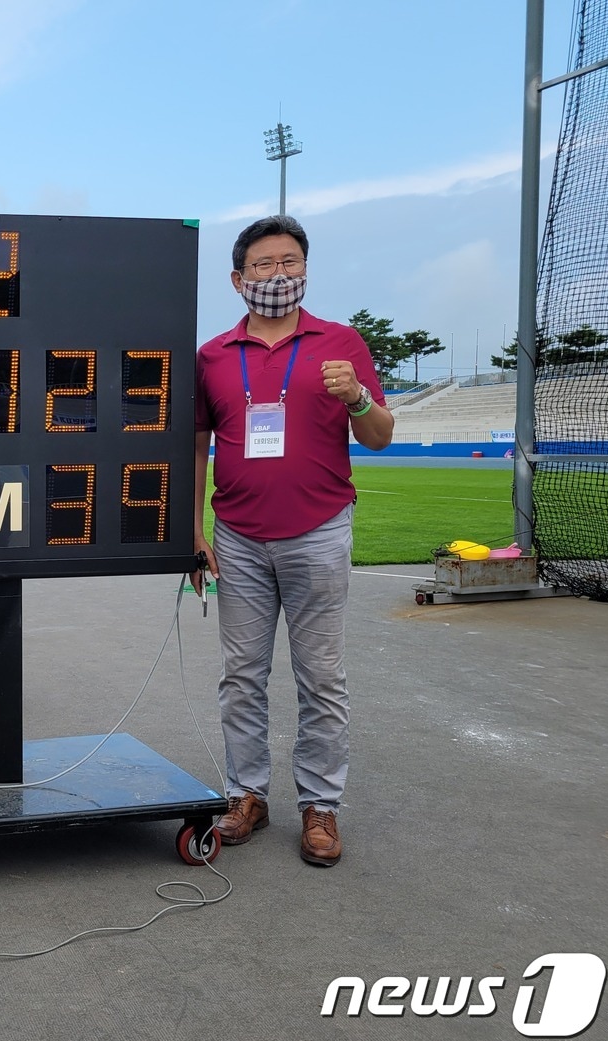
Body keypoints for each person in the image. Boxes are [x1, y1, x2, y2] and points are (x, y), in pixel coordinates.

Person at [191, 215, 394, 867]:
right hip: (239, 537)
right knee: (241, 676)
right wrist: (194, 530)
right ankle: (246, 793)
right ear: (237, 278)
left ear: (305, 269)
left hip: (319, 531)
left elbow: (381, 435)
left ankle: (321, 806)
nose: (277, 275)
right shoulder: (214, 356)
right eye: (263, 265)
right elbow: (197, 445)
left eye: (289, 262)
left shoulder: (342, 343)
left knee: (321, 677)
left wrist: (359, 397)